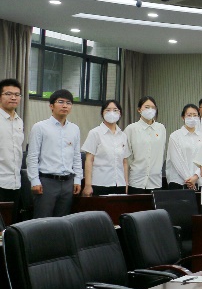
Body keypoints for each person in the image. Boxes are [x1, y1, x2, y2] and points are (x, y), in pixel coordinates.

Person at [26, 89, 82, 217]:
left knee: (62, 222)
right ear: (51, 106)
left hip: (68, 183)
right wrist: (34, 180)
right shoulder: (40, 127)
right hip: (46, 182)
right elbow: (32, 156)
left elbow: (76, 156)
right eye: (60, 102)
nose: (65, 106)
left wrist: (78, 179)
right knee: (42, 221)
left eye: (68, 103)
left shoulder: (74, 129)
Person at [81, 99, 129, 196]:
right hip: (100, 184)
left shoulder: (123, 135)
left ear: (120, 114)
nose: (112, 113)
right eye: (108, 110)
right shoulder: (95, 133)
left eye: (115, 110)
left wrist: (126, 183)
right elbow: (89, 160)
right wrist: (88, 185)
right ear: (102, 113)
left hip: (120, 184)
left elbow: (124, 162)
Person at [125, 96, 165, 192]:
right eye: (147, 107)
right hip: (136, 181)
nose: (150, 110)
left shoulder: (161, 128)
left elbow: (161, 153)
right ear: (139, 109)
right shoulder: (131, 129)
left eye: (153, 107)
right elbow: (127, 157)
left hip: (155, 181)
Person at [166, 104, 202, 190]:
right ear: (183, 117)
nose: (192, 118)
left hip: (198, 182)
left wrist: (195, 176)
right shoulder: (175, 136)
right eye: (189, 115)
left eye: (195, 115)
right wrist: (189, 180)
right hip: (178, 182)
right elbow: (177, 160)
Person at [0, 78, 24, 204]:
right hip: (1, 181)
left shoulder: (19, 121)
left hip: (15, 182)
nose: (13, 97)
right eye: (8, 94)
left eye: (17, 94)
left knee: (12, 216)